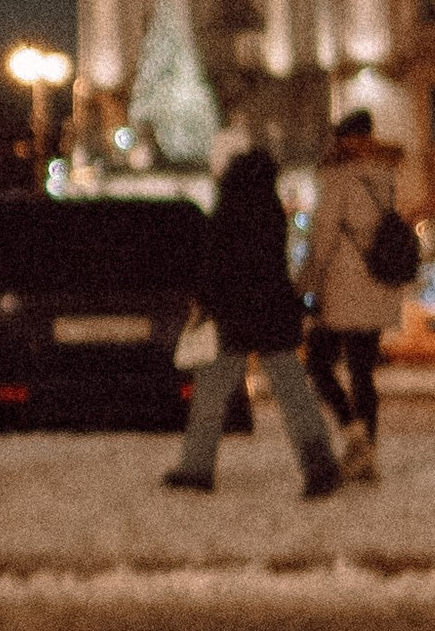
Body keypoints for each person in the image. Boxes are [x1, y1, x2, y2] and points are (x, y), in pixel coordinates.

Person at [167, 144, 344, 499]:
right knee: (294, 392)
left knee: (212, 393)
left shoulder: (228, 209)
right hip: (273, 311)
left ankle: (197, 467)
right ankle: (320, 463)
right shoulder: (271, 209)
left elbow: (216, 261)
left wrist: (205, 300)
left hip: (234, 311)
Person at [300, 107, 407, 483]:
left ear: (347, 140)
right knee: (363, 372)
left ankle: (354, 433)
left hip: (344, 288)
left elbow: (323, 239)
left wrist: (305, 285)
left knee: (318, 365)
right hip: (379, 287)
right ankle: (368, 454)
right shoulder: (388, 176)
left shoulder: (339, 178)